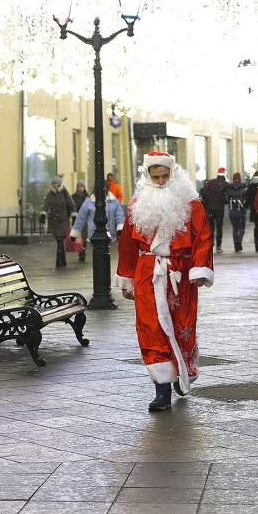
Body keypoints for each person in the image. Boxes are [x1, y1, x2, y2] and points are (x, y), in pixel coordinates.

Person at [116, 152, 214, 412]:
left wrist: (199, 268)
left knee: (183, 324)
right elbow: (127, 243)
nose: (160, 182)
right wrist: (127, 278)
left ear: (173, 174)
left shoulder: (191, 203)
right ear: (147, 176)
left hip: (180, 273)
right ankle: (161, 389)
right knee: (150, 328)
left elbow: (203, 236)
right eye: (155, 177)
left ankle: (182, 370)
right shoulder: (137, 204)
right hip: (148, 271)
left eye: (164, 176)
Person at [70, 189, 125, 262]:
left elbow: (119, 215)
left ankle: (103, 270)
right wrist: (75, 232)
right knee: (98, 255)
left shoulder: (113, 201)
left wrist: (120, 228)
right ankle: (100, 270)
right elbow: (81, 217)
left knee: (105, 254)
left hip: (109, 233)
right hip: (94, 233)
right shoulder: (89, 201)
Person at [42, 177, 74, 268]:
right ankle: (62, 261)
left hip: (64, 220)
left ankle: (60, 262)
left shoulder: (64, 193)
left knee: (60, 241)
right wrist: (43, 214)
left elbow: (71, 204)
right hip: (54, 221)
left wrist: (73, 215)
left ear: (59, 184)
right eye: (54, 184)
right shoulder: (50, 194)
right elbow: (46, 205)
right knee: (59, 240)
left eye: (57, 184)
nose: (55, 186)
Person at [200, 167, 230, 253]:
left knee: (210, 228)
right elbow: (227, 197)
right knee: (219, 227)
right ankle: (218, 246)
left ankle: (210, 244)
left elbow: (204, 194)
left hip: (210, 209)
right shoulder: (225, 184)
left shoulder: (210, 182)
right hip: (219, 209)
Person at [227, 173, 249, 253]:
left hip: (232, 211)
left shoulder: (229, 188)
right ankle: (239, 241)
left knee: (235, 228)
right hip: (241, 210)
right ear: (240, 178)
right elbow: (247, 199)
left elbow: (226, 199)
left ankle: (236, 244)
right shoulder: (244, 187)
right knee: (242, 228)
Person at [245, 171, 258, 253]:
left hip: (254, 209)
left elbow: (248, 197)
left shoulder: (251, 185)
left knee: (256, 226)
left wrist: (245, 207)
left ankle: (257, 244)